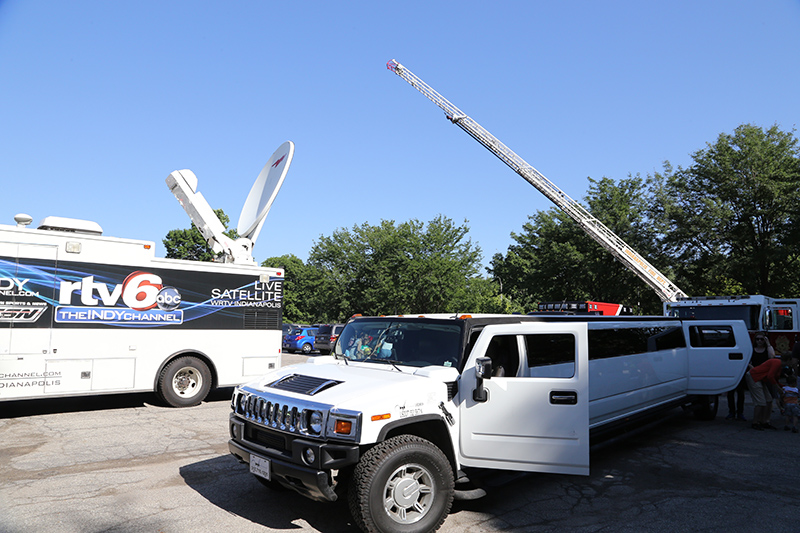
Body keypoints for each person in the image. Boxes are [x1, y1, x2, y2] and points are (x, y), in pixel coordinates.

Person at [746, 356, 783, 430]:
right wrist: (778, 388)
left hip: (761, 378)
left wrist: (783, 386)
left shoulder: (780, 365)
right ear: (788, 360)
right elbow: (770, 376)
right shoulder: (777, 363)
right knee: (760, 402)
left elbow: (774, 378)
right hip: (754, 376)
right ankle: (755, 422)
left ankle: (765, 421)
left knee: (769, 400)